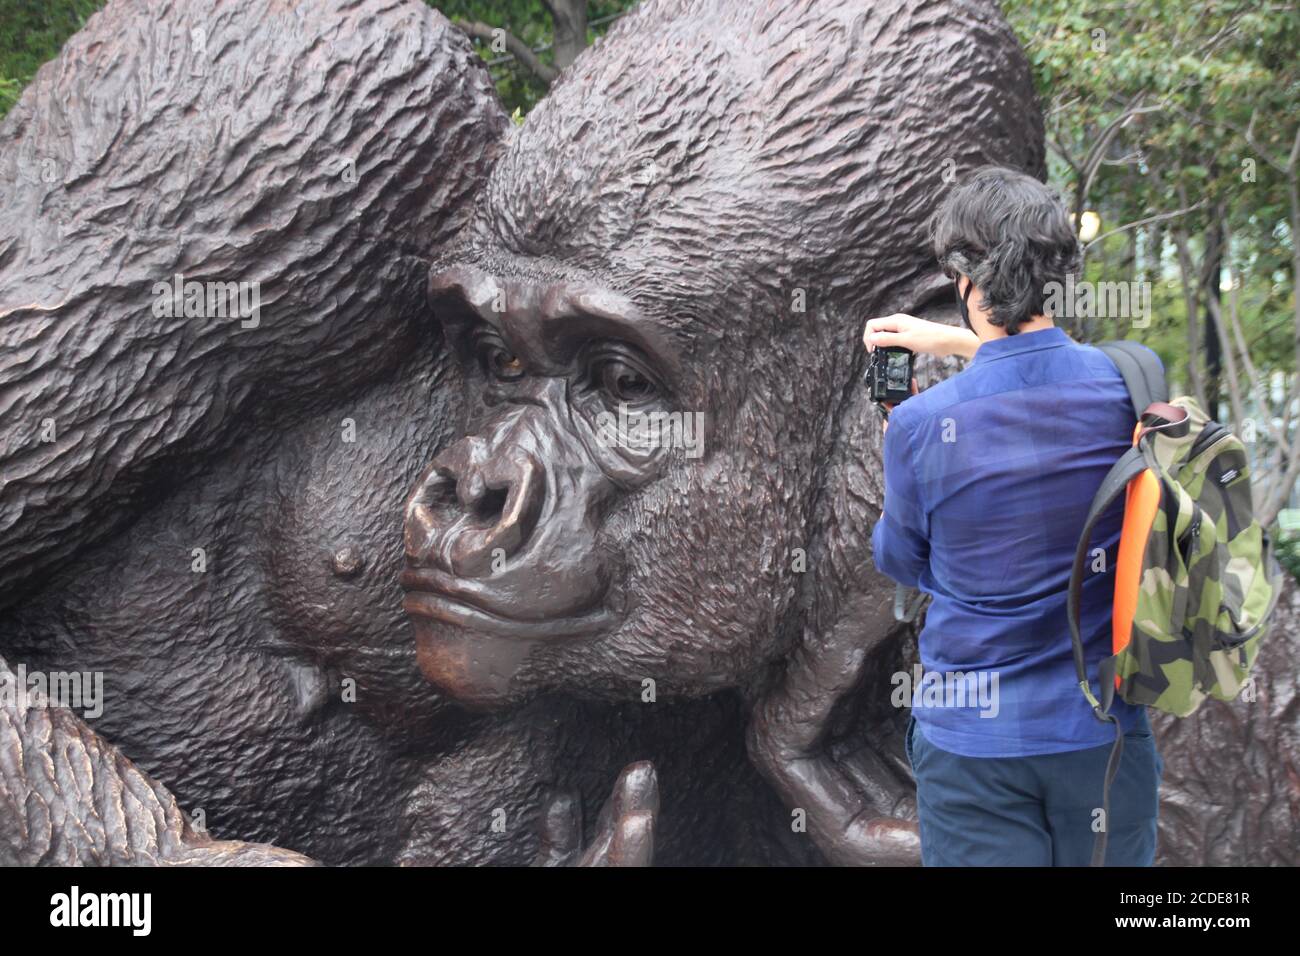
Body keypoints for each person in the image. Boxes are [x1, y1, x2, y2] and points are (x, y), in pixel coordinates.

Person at [862, 166, 1163, 866]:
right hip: (1103, 731)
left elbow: (901, 561)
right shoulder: (1134, 381)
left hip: (975, 748)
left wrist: (898, 436)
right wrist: (968, 345)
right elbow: (1051, 365)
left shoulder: (920, 425)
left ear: (967, 283)